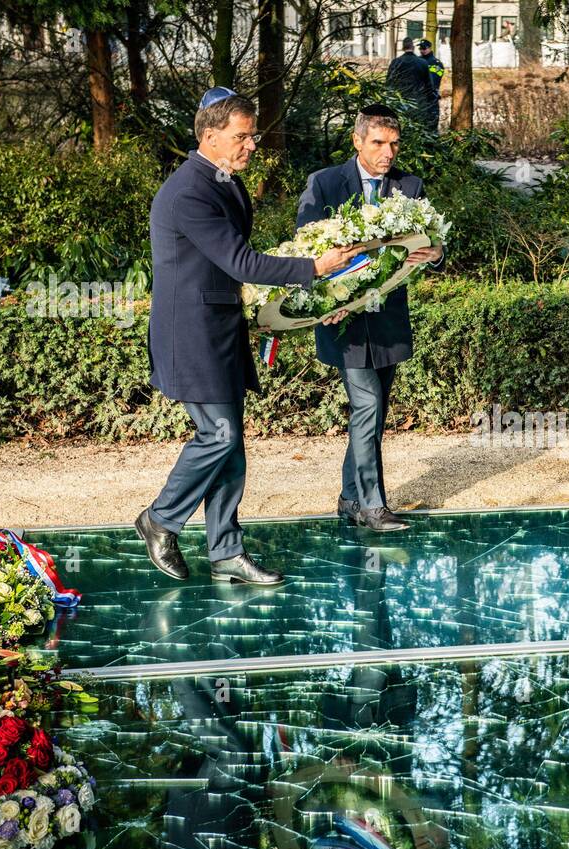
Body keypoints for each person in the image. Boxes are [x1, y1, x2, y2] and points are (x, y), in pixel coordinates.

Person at [136, 87, 360, 585]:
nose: (252, 144)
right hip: (190, 335)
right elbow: (241, 261)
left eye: (253, 135)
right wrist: (314, 267)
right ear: (210, 137)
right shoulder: (190, 191)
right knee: (219, 436)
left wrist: (288, 308)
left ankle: (225, 553)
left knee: (232, 446)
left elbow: (227, 266)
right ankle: (160, 518)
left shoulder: (223, 182)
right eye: (242, 136)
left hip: (221, 328)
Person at [295, 104, 444, 532]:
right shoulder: (323, 184)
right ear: (358, 141)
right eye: (378, 143)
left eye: (394, 144)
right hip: (341, 320)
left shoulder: (409, 186)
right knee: (367, 405)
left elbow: (433, 243)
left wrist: (435, 253)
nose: (388, 152)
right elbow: (306, 247)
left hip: (389, 320)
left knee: (373, 414)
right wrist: (319, 300)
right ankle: (373, 505)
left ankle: (348, 498)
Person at [385, 37, 438, 132]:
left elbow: (388, 84)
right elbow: (429, 86)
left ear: (403, 48)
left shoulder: (395, 62)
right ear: (413, 47)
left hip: (400, 103)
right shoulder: (423, 63)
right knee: (417, 132)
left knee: (401, 131)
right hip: (419, 103)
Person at [417, 38, 445, 129]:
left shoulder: (436, 64)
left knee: (431, 126)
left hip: (431, 99)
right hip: (418, 98)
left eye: (424, 48)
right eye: (420, 48)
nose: (422, 50)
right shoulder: (417, 61)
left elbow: (434, 80)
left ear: (429, 48)